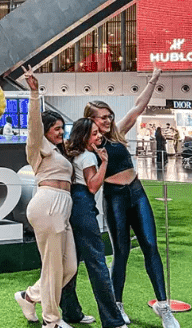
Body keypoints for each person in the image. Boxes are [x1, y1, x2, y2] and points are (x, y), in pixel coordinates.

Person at [84, 68, 180, 328]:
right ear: (90, 119)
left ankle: (163, 306)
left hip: (137, 192)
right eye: (102, 117)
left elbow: (139, 105)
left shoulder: (117, 133)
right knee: (121, 252)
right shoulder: (89, 146)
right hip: (114, 197)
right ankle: (117, 304)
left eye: (108, 116)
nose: (107, 120)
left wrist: (154, 79)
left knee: (151, 245)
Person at [14, 67, 78, 328]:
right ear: (46, 130)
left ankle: (29, 296)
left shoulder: (59, 153)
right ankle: (51, 320)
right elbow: (33, 125)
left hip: (62, 209)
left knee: (69, 266)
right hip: (48, 205)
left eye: (62, 128)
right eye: (56, 128)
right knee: (53, 267)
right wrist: (33, 93)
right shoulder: (38, 147)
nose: (61, 132)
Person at [60, 119, 127, 328]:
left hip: (72, 206)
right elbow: (92, 187)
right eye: (94, 134)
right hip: (83, 207)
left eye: (99, 133)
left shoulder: (74, 155)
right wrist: (104, 162)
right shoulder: (89, 156)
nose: (99, 137)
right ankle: (113, 320)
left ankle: (71, 312)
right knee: (97, 263)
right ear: (84, 137)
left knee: (70, 264)